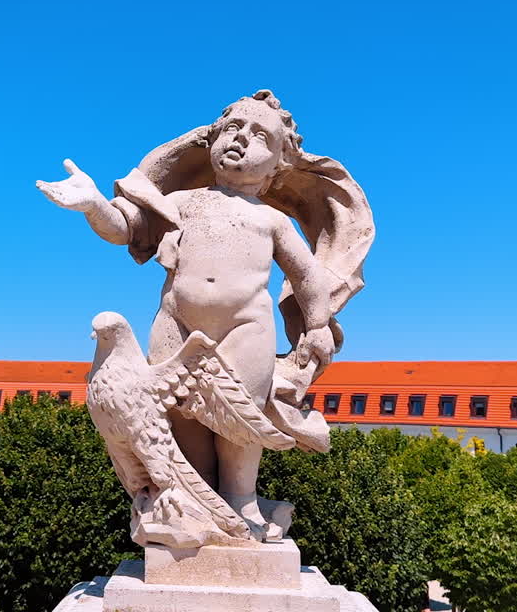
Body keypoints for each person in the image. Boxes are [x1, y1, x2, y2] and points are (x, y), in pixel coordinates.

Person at [37, 90, 375, 539]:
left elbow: (308, 275)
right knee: (180, 417)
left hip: (244, 327)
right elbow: (125, 229)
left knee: (241, 419)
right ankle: (196, 500)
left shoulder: (270, 219)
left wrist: (316, 326)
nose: (240, 139)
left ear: (277, 165)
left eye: (259, 136)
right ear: (212, 140)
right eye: (232, 129)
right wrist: (94, 204)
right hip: (176, 322)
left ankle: (242, 501)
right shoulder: (182, 201)